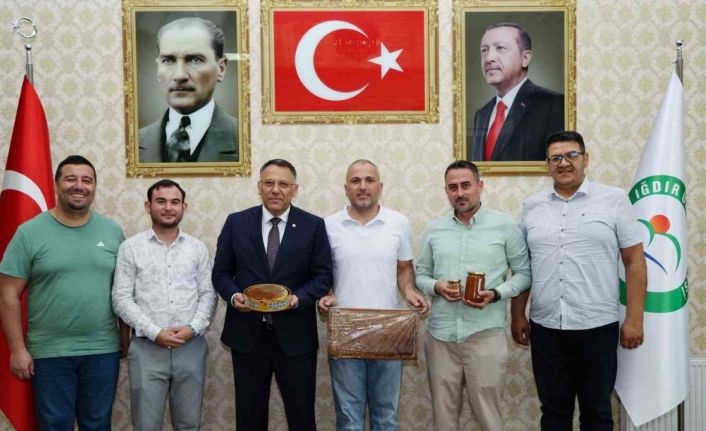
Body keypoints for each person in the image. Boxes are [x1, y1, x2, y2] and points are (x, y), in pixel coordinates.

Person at [510, 130, 647, 430]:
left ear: (586, 159)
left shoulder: (614, 200)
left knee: (597, 412)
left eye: (571, 155)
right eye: (555, 158)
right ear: (547, 165)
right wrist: (517, 314)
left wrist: (635, 319)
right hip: (546, 328)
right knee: (553, 413)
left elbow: (635, 260)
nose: (563, 163)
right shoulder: (532, 206)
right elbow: (525, 265)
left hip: (597, 326)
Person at [0, 155, 127, 430]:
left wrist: (125, 337)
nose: (79, 186)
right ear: (57, 185)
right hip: (49, 353)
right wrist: (17, 350)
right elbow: (8, 294)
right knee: (54, 425)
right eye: (71, 179)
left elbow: (124, 291)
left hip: (102, 350)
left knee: (98, 425)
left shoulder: (113, 232)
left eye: (87, 180)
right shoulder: (29, 233)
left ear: (94, 188)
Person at [212, 159, 333, 431]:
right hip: (247, 337)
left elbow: (323, 276)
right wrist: (234, 297)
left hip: (296, 338)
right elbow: (220, 273)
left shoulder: (313, 225)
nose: (275, 189)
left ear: (294, 189)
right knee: (249, 419)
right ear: (259, 187)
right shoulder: (236, 222)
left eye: (283, 184)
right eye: (269, 183)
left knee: (302, 418)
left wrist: (298, 298)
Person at [415, 160, 531, 431]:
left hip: (485, 334)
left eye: (466, 185)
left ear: (480, 186)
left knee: (489, 416)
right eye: (453, 187)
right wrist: (436, 287)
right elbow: (421, 275)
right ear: (446, 191)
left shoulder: (505, 225)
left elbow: (525, 273)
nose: (460, 193)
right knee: (444, 418)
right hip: (441, 336)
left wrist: (497, 293)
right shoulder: (434, 229)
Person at [317, 160, 428, 431]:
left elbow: (404, 267)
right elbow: (322, 273)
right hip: (344, 329)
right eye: (356, 181)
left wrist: (410, 290)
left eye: (369, 180)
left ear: (380, 186)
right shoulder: (328, 225)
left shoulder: (399, 222)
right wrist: (327, 295)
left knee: (386, 416)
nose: (363, 186)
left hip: (389, 330)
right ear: (346, 188)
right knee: (349, 418)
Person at [112, 179, 216, 430]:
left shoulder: (197, 248)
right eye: (161, 201)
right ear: (148, 206)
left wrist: (192, 328)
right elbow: (121, 298)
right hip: (146, 349)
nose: (168, 207)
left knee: (189, 424)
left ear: (184, 207)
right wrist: (154, 332)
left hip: (190, 347)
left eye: (175, 202)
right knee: (146, 425)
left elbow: (208, 294)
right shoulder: (130, 248)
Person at [139, 17, 238, 163]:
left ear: (221, 69)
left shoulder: (245, 140)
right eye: (168, 60)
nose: (179, 75)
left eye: (195, 60)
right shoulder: (133, 142)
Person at [469, 23, 564, 162]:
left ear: (525, 58)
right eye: (484, 50)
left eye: (500, 48)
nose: (489, 58)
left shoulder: (553, 104)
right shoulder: (481, 114)